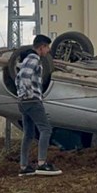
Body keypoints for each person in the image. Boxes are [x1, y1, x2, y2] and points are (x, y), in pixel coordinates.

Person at [16, 34, 62, 177]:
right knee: (46, 129)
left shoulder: (26, 59)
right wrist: (29, 95)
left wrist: (22, 96)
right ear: (41, 47)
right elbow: (24, 76)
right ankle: (42, 164)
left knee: (29, 134)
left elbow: (18, 76)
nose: (48, 50)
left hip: (23, 102)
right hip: (32, 101)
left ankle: (24, 166)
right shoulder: (34, 58)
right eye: (47, 47)